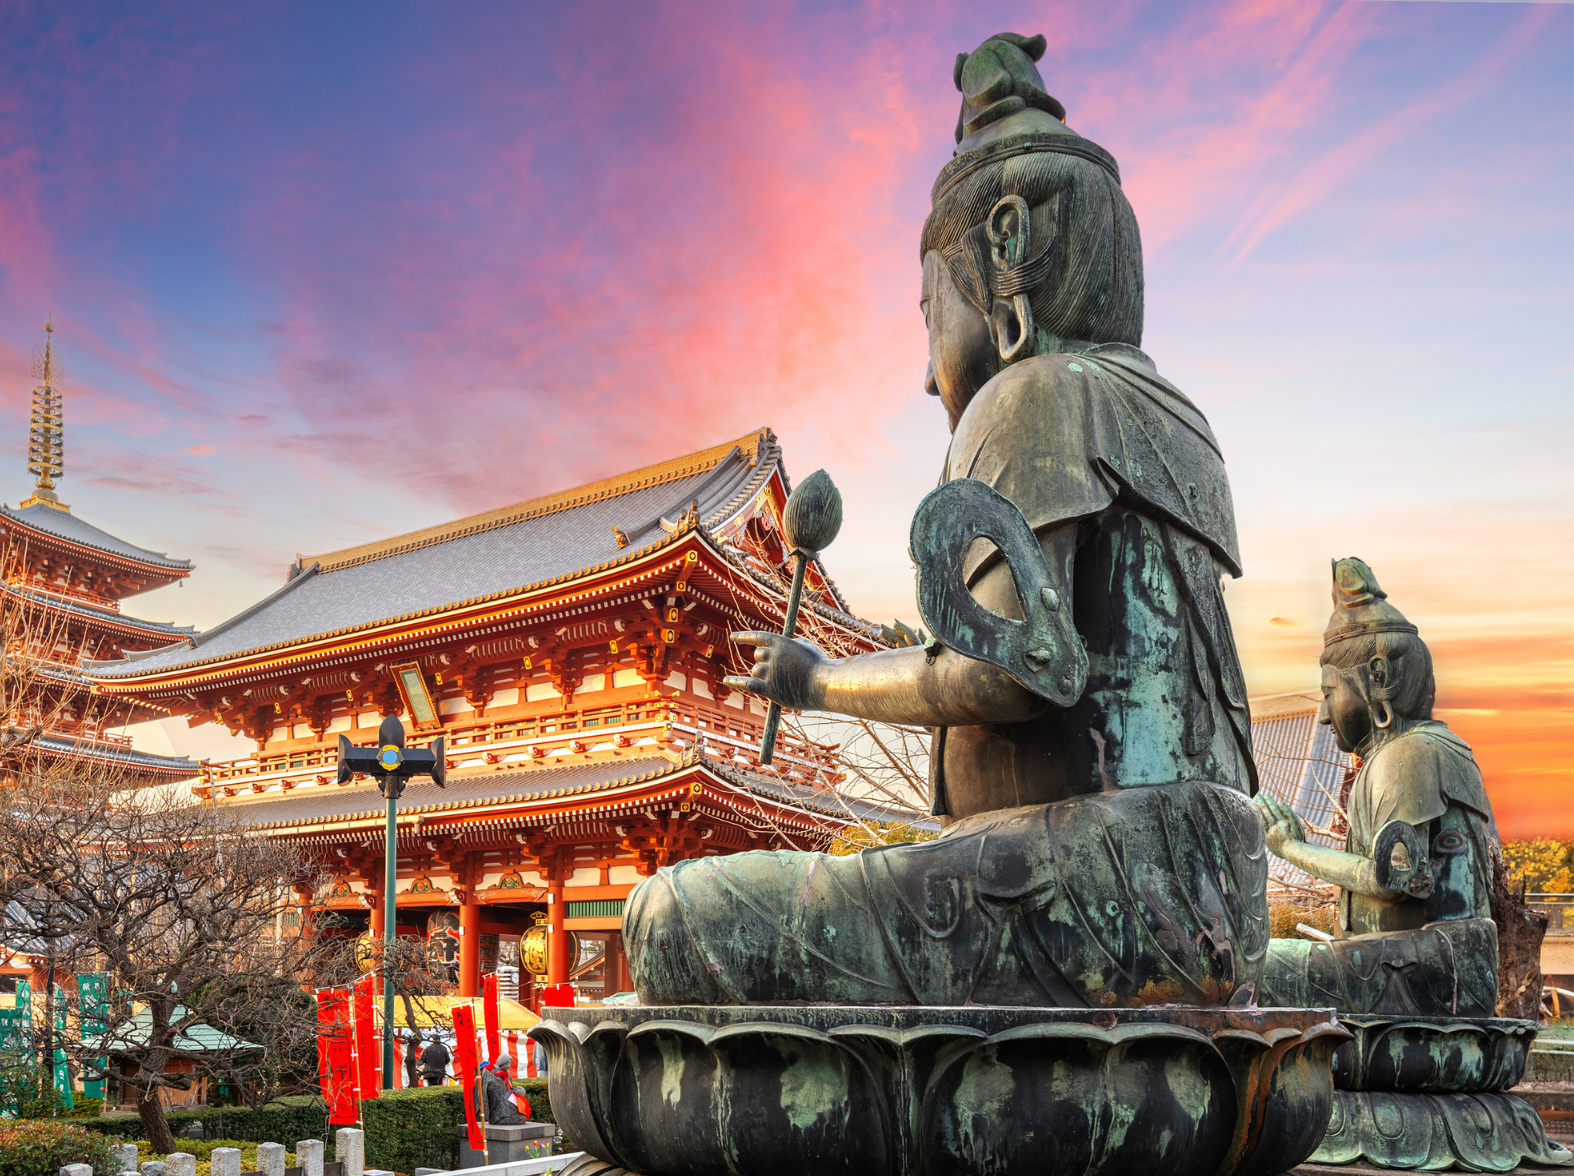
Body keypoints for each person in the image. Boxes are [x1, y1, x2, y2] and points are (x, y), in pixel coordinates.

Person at [623, 30, 1265, 1011]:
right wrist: (906, 649)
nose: (929, 373)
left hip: (1096, 890)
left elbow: (1022, 668)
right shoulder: (1178, 419)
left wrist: (817, 679)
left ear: (1004, 244)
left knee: (672, 917)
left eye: (930, 315)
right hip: (1209, 885)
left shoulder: (1035, 393)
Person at [1258, 559, 1498, 1016]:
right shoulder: (1423, 750)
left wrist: (1291, 848)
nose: (1324, 715)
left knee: (1255, 969)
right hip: (1419, 965)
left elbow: (1396, 881)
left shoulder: (1410, 755)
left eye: (1328, 693)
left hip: (1433, 973)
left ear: (1378, 677)